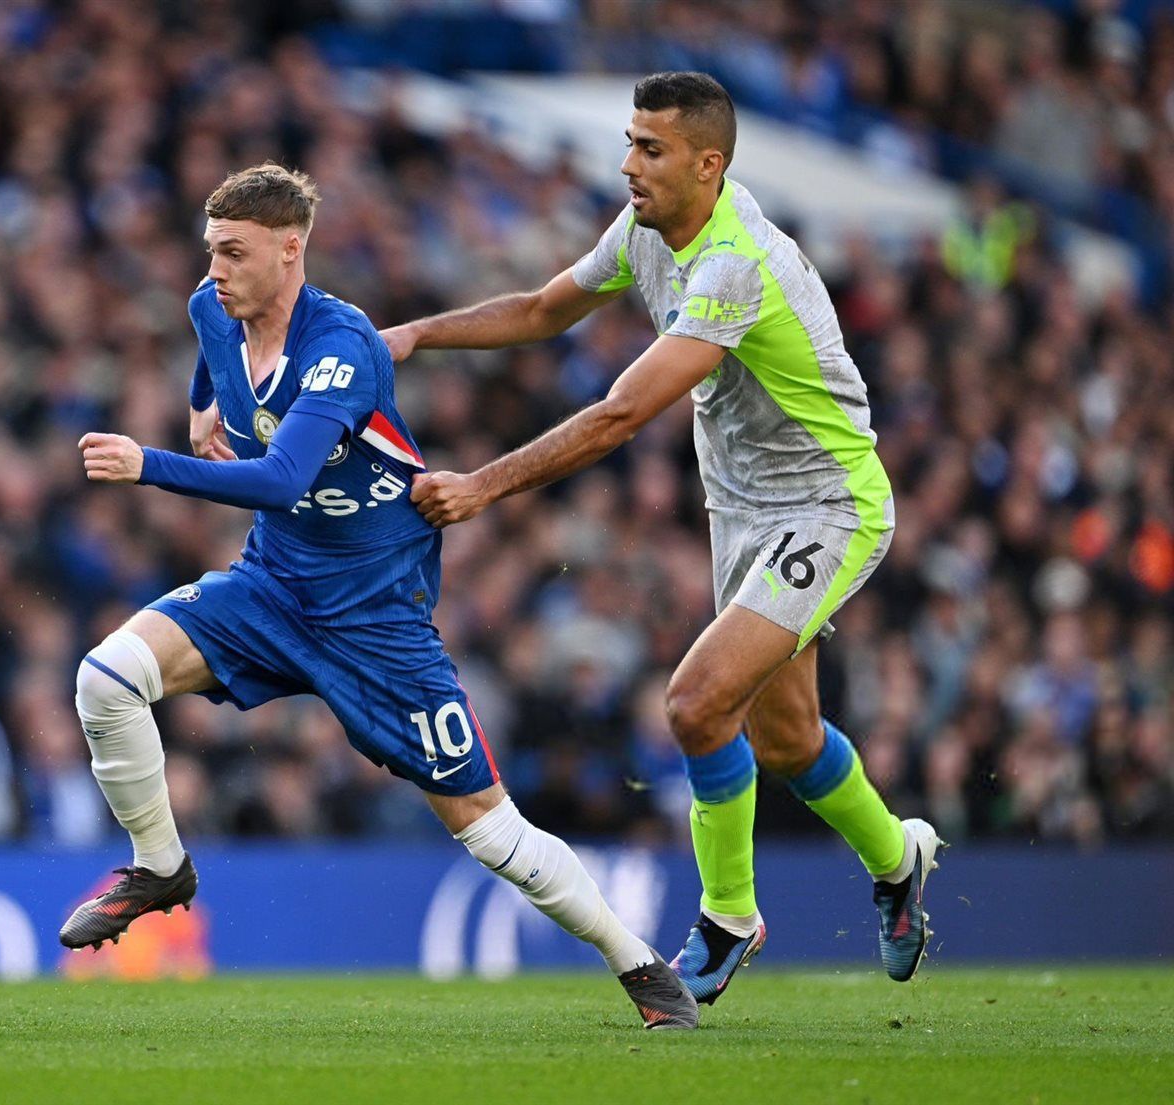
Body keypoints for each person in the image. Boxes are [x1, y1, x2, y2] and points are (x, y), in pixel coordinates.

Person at [60, 163, 699, 1029]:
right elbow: (212, 364)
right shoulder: (212, 308)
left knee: (487, 828)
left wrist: (148, 464)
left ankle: (638, 963)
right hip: (272, 586)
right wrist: (202, 408)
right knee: (105, 678)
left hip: (375, 619)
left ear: (291, 250)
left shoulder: (342, 347)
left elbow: (284, 478)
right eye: (211, 250)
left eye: (235, 253)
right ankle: (160, 867)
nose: (215, 270)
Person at [381, 72, 941, 1006]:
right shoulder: (646, 227)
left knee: (694, 703)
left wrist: (483, 485)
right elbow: (542, 309)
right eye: (630, 143)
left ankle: (729, 915)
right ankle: (898, 860)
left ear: (707, 164)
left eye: (651, 148)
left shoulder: (734, 264)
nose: (629, 165)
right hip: (740, 509)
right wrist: (412, 335)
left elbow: (621, 413)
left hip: (828, 505)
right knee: (787, 736)